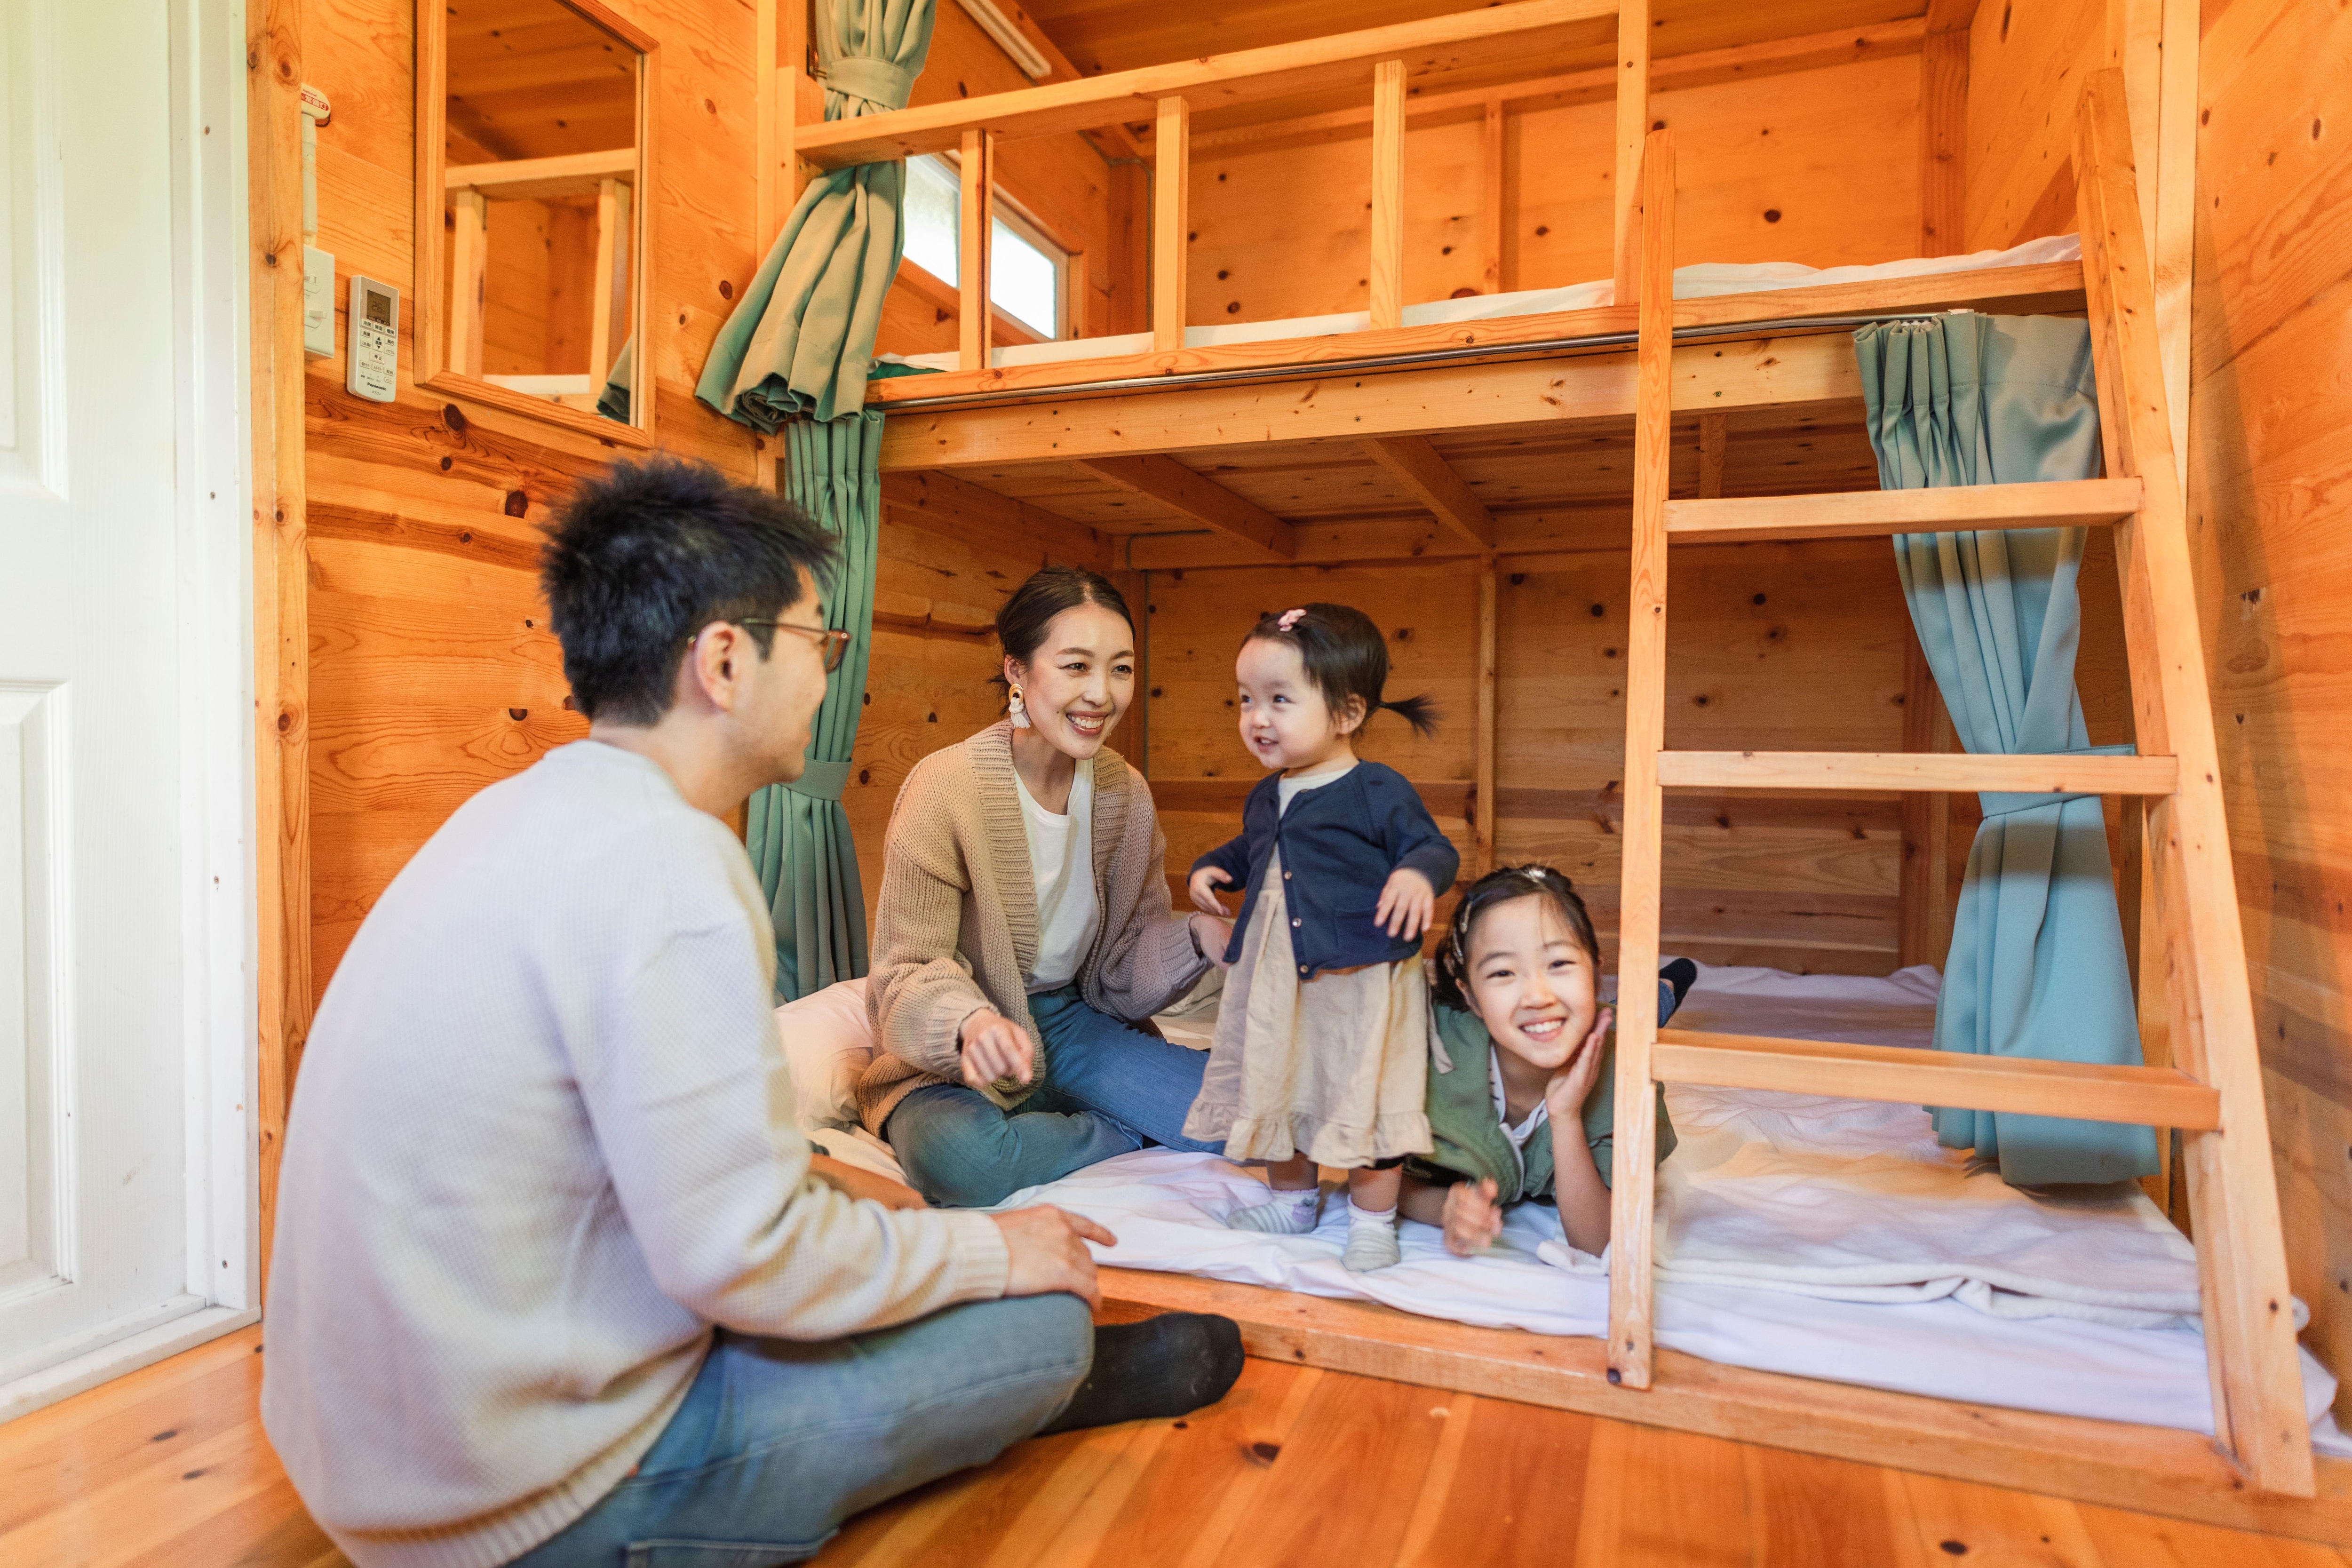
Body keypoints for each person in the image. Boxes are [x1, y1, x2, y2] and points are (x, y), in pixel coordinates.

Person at [261, 459, 1241, 1568]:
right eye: (820, 645)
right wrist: (987, 1253)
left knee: (919, 1241)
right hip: (525, 1499)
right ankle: (1017, 1390)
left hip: (361, 1450)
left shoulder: (506, 811)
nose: (831, 679)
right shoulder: (678, 867)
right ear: (726, 660)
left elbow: (691, 1203)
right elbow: (748, 1248)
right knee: (1041, 1326)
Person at [860, 566, 1235, 1210]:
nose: (1101, 694)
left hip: (1071, 1023)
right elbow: (905, 972)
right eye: (1076, 666)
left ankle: (1108, 1118)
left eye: (1120, 669)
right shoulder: (943, 786)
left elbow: (1121, 972)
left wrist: (1199, 936)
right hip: (962, 1040)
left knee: (1240, 1117)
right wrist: (971, 1023)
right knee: (965, 1164)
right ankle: (1124, 1131)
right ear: (1017, 671)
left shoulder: (1125, 795)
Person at [1181, 603, 1458, 1272]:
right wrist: (1214, 867)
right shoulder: (1265, 795)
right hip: (1276, 978)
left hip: (1357, 979)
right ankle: (1295, 1201)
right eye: (1246, 700)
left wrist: (1419, 876)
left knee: (1363, 1090)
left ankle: (1373, 1219)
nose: (1257, 718)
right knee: (1278, 1079)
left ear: (1347, 713)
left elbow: (1433, 846)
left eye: (1280, 699)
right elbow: (1256, 848)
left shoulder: (1373, 789)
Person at [1400, 864, 1691, 1257]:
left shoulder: (1627, 1070)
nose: (1537, 994)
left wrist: (1566, 1115)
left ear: (1596, 970)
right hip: (1564, 1019)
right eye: (1503, 972)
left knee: (1639, 1013)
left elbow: (1599, 1241)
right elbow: (1380, 1176)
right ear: (1470, 998)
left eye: (1558, 964)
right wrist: (1445, 1206)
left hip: (1610, 1023)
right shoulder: (1432, 1060)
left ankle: (1668, 985)